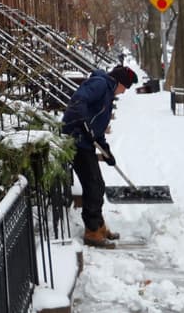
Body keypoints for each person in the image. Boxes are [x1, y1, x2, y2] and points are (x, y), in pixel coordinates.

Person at [61, 64, 138, 248]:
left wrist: (106, 150)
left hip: (85, 141)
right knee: (92, 186)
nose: (124, 92)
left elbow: (98, 128)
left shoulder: (108, 93)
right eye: (125, 88)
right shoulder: (100, 84)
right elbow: (78, 100)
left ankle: (99, 226)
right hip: (76, 140)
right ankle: (92, 232)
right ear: (119, 82)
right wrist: (83, 124)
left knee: (98, 185)